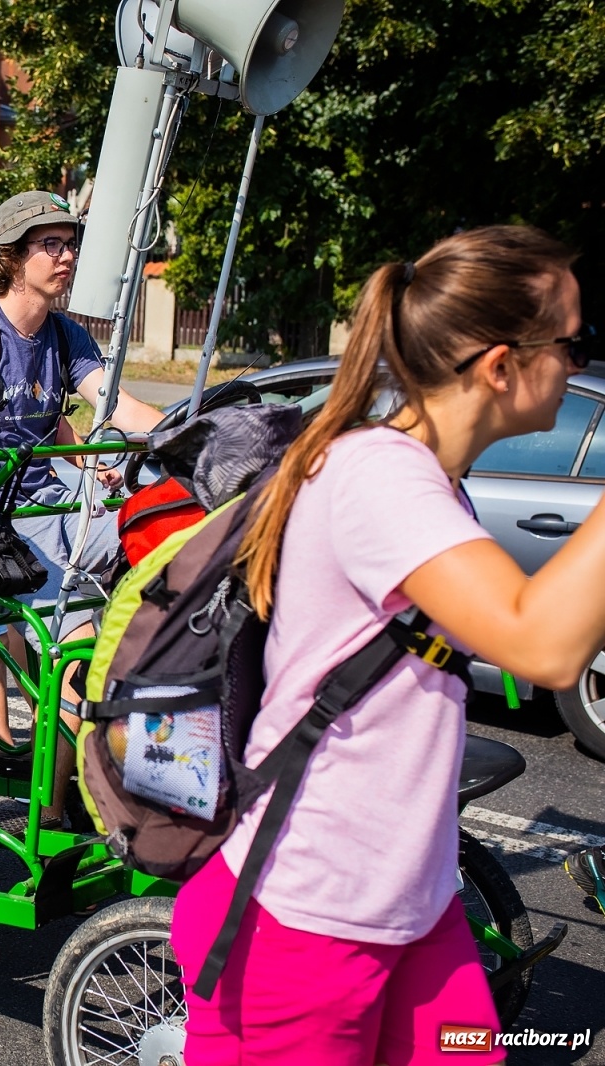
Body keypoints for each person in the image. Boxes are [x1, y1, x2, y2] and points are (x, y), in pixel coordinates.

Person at [171, 225, 596, 1064]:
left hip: (413, 909)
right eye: (576, 341)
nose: (582, 363)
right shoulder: (378, 475)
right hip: (299, 923)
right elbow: (540, 646)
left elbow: (532, 636)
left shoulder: (428, 480)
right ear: (501, 365)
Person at [0, 190, 162, 823]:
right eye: (52, 245)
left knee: (153, 556)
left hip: (51, 510)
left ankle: (65, 797)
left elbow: (115, 406)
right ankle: (61, 804)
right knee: (82, 644)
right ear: (12, 259)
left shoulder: (64, 336)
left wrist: (190, 429)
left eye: (71, 244)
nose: (67, 256)